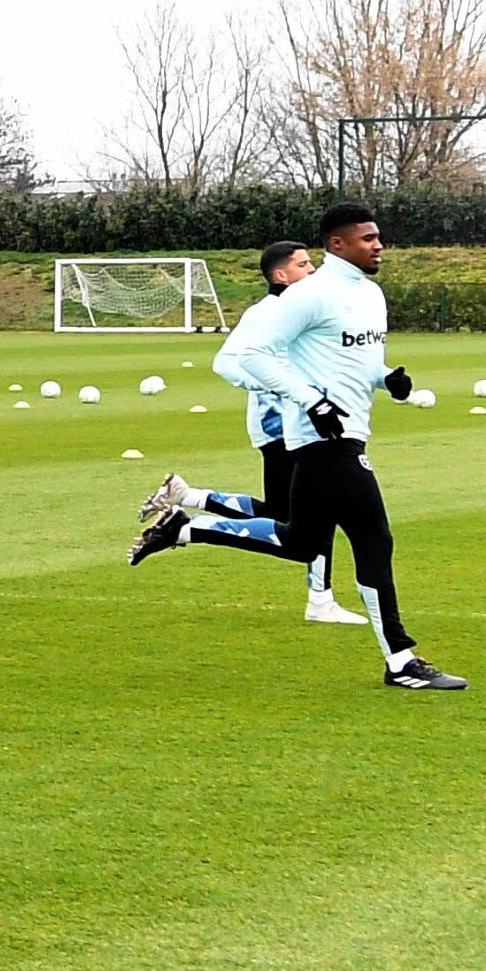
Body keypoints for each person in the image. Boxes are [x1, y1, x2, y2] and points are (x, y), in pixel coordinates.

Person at [134, 202, 464, 688]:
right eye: (368, 238)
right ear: (337, 244)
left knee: (301, 541)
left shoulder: (370, 294)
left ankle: (185, 527)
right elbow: (250, 356)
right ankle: (401, 661)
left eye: (377, 237)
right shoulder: (308, 295)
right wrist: (311, 401)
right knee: (374, 540)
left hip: (345, 431)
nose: (378, 245)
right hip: (325, 439)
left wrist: (386, 379)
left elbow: (356, 359)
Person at [140, 242, 369, 626]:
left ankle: (187, 500)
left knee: (284, 515)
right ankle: (319, 599)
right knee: (318, 513)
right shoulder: (267, 312)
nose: (312, 269)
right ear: (280, 275)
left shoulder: (302, 309)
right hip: (282, 427)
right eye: (303, 264)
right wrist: (276, 386)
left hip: (299, 426)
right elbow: (226, 363)